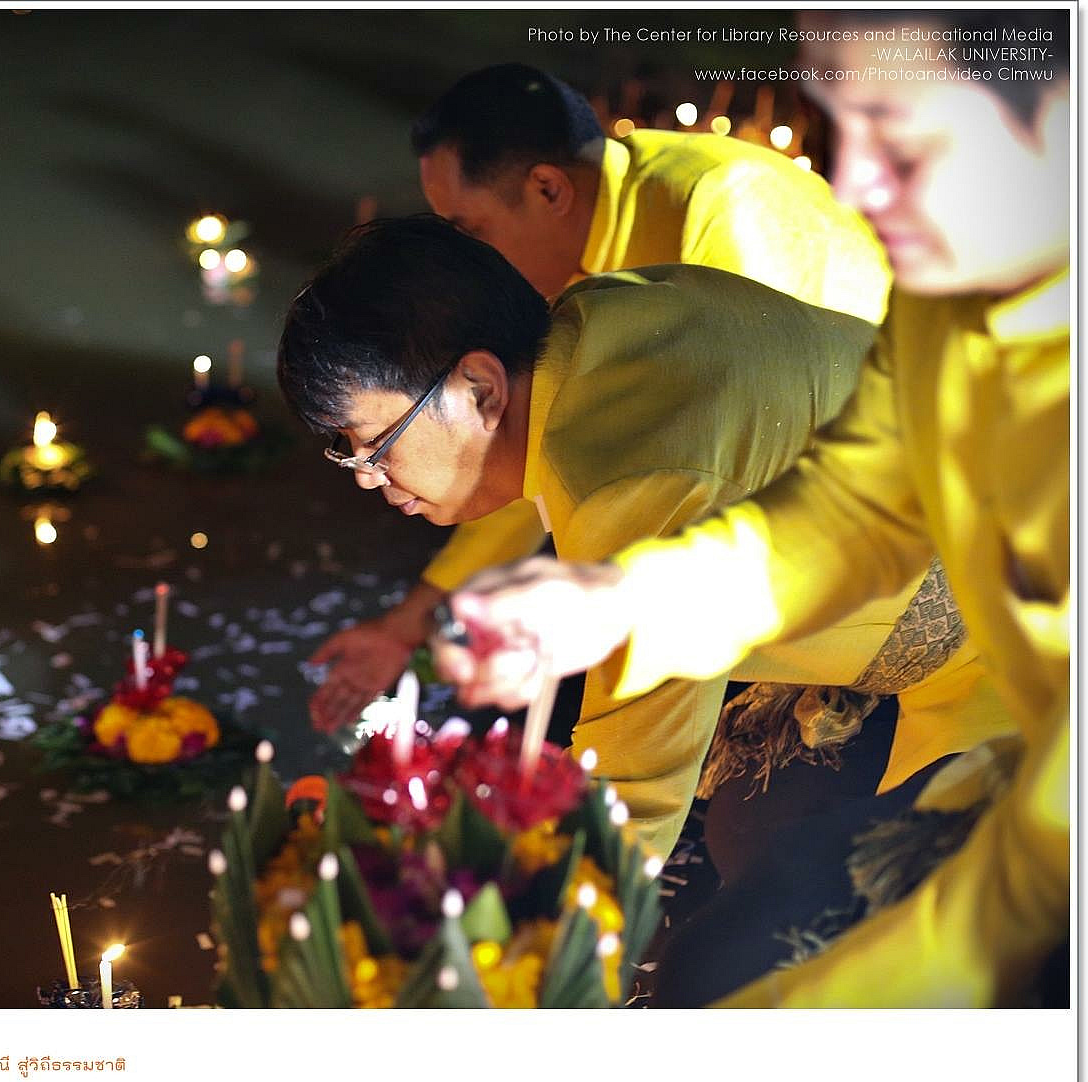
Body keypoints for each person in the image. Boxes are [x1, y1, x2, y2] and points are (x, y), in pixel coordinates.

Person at [433, 9, 1069, 1006]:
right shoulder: (950, 315)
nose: (846, 189)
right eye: (844, 133)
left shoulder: (726, 222)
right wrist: (620, 601)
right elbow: (830, 514)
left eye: (900, 140)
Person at [277, 214, 1011, 855]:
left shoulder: (625, 478)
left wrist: (524, 931)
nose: (367, 477)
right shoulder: (595, 327)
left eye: (375, 445)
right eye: (350, 453)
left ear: (479, 389)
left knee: (832, 901)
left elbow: (633, 786)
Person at [308, 62, 893, 735]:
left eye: (470, 233)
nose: (466, 265)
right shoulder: (565, 264)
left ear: (547, 188)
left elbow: (707, 479)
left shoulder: (723, 212)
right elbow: (517, 455)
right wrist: (406, 626)